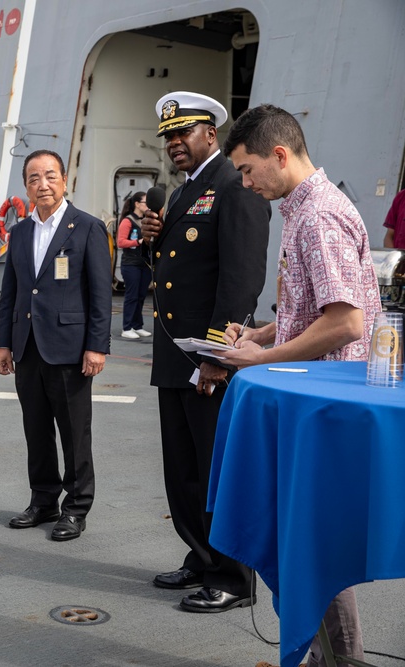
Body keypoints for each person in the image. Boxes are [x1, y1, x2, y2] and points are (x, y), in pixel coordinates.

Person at [221, 103, 379, 667]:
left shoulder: (317, 218)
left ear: (279, 155)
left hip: (323, 406)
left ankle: (340, 661)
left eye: (247, 169)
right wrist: (264, 335)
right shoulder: (307, 209)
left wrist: (258, 363)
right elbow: (314, 311)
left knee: (314, 542)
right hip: (318, 399)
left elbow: (346, 322)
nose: (244, 182)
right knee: (310, 539)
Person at [140, 92, 271, 612]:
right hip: (176, 355)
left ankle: (235, 578)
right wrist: (153, 239)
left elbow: (241, 279)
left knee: (217, 469)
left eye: (184, 132)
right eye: (169, 136)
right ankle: (202, 554)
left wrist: (220, 355)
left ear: (210, 133)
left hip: (207, 360)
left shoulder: (233, 186)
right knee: (184, 469)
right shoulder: (182, 192)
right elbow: (178, 267)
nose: (175, 142)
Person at [0, 149, 112, 541]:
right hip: (27, 347)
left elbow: (99, 294)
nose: (42, 184)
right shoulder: (21, 232)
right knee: (36, 429)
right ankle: (42, 499)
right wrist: (3, 344)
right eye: (33, 178)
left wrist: (97, 347)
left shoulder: (88, 228)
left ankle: (76, 508)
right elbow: (10, 292)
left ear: (64, 180)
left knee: (75, 433)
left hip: (70, 348)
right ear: (25, 185)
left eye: (49, 176)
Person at [116, 191, 152, 339]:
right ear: (137, 204)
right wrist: (138, 242)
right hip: (131, 264)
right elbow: (120, 242)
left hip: (144, 264)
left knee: (141, 295)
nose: (148, 206)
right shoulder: (127, 221)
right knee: (132, 296)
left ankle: (137, 325)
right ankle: (127, 327)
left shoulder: (146, 220)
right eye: (145, 202)